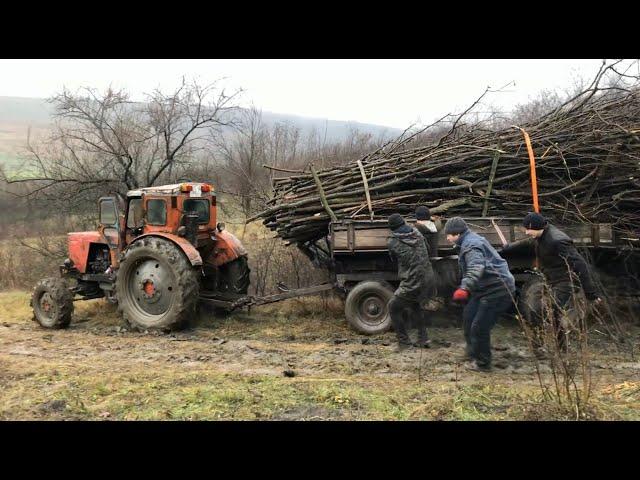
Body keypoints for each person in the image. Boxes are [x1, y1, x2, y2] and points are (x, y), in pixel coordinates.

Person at [500, 212, 602, 353]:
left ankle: (555, 347)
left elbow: (580, 265)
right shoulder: (540, 235)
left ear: (538, 227)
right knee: (536, 309)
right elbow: (528, 242)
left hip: (566, 281)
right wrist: (508, 248)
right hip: (550, 279)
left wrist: (591, 293)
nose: (527, 232)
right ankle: (543, 345)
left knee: (546, 309)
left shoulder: (558, 241)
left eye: (529, 229)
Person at [444, 217, 516, 372]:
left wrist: (464, 288)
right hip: (483, 288)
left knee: (479, 327)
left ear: (457, 233)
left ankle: (483, 364)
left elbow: (476, 267)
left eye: (448, 234)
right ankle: (472, 353)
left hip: (498, 288)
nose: (447, 238)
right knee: (468, 319)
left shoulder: (471, 245)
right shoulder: (467, 241)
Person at [387, 213, 436, 351]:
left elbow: (392, 258)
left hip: (412, 282)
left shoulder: (392, 241)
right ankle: (423, 338)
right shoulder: (418, 233)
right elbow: (429, 249)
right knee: (415, 304)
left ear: (392, 228)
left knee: (393, 307)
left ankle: (404, 343)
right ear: (404, 223)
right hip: (428, 277)